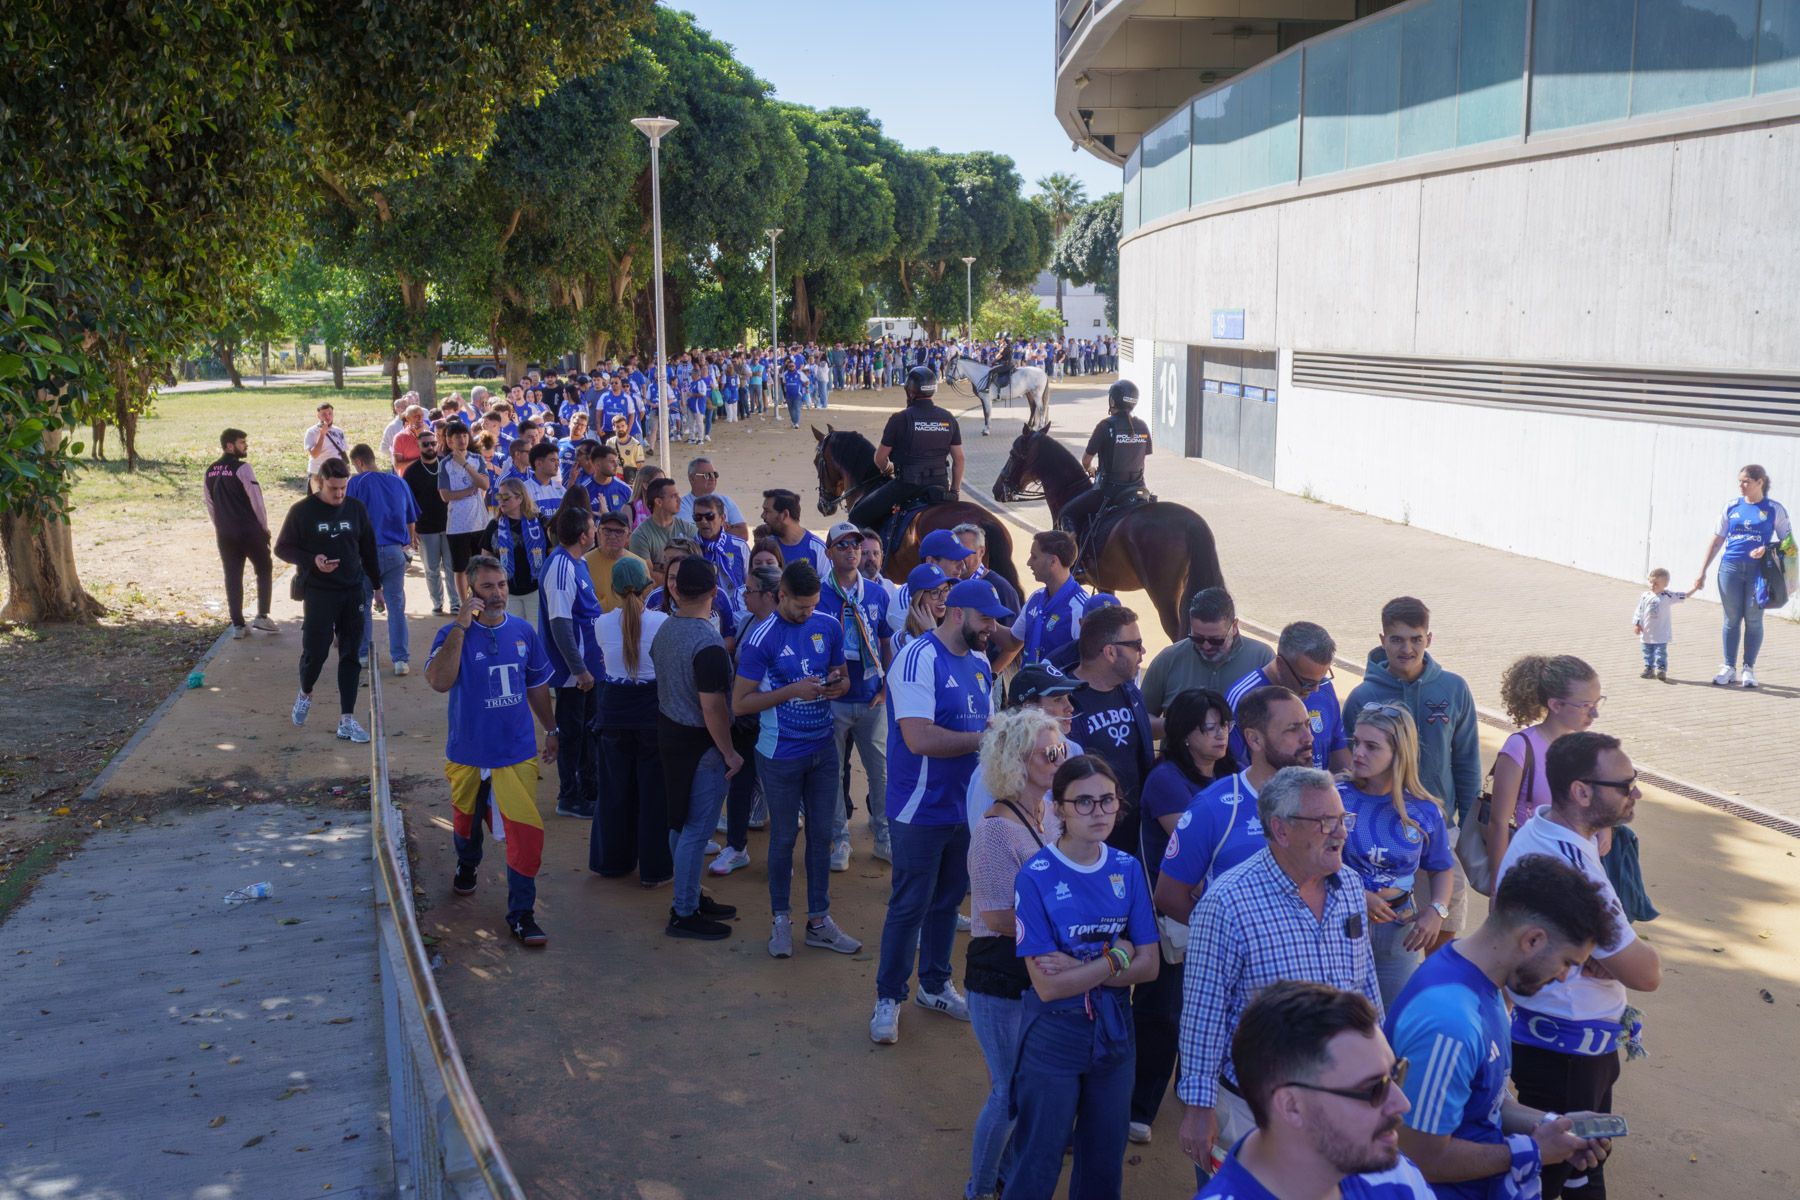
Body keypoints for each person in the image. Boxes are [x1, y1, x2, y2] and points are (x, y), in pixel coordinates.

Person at [1177, 767, 1381, 1175]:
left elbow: (1365, 985)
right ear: (1281, 830)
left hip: (1338, 1100)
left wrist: (1378, 1067)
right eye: (1326, 822)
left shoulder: (1351, 888)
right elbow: (1203, 1014)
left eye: (1343, 820)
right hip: (1255, 1112)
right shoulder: (1227, 904)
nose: (1341, 833)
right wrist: (1199, 1109)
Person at [1386, 855, 1621, 1200]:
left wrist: (1553, 1125)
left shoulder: (1485, 985)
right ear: (1533, 940)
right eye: (1567, 962)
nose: (1562, 977)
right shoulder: (1450, 1021)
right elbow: (1420, 1156)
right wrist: (1533, 1151)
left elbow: (1487, 1101)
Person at [1495, 732, 1661, 1200]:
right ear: (1581, 792)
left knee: (1574, 1172)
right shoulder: (1573, 863)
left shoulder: (1547, 828)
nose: (1636, 793)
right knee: (1568, 1177)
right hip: (1568, 1053)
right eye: (1625, 785)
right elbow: (1646, 973)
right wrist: (1613, 954)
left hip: (1562, 1043)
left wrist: (1599, 953)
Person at [1007, 755, 1160, 1200]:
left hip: (1115, 1036)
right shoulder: (1034, 877)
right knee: (1038, 1158)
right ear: (1059, 808)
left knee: (1103, 1163)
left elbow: (1148, 966)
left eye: (1107, 801)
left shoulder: (1128, 869)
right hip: (1054, 1036)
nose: (1098, 812)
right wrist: (1115, 958)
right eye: (1085, 802)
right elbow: (1048, 985)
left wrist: (1080, 966)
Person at [869, 577, 1009, 1045]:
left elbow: (986, 724)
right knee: (909, 906)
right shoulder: (916, 659)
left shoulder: (979, 662)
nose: (993, 628)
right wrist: (985, 741)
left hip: (964, 807)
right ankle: (889, 996)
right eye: (986, 618)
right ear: (958, 614)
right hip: (919, 809)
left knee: (948, 903)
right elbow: (919, 738)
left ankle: (933, 985)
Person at [426, 554, 560, 947]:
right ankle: (467, 865)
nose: (498, 593)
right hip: (467, 753)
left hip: (515, 753)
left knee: (524, 835)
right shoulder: (450, 635)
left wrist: (551, 728)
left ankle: (522, 914)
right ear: (470, 591)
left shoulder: (523, 631)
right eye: (488, 587)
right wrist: (460, 628)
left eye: (501, 585)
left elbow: (536, 685)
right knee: (466, 826)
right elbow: (438, 681)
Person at [1197, 981, 1437, 1200]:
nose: (1403, 1103)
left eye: (1396, 1074)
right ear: (1292, 1106)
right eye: (1375, 1088)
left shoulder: (1394, 1174)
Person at [732, 561, 863, 958]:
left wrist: (838, 686)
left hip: (822, 748)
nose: (808, 613)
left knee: (821, 836)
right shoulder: (760, 638)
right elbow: (740, 704)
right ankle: (781, 920)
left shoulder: (828, 625)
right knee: (785, 838)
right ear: (781, 596)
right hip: (780, 753)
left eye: (812, 605)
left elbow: (841, 676)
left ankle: (819, 921)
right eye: (800, 607)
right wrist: (791, 691)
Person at [1343, 597, 1482, 951]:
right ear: (1382, 639)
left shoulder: (1453, 689)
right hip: (1377, 830)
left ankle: (1428, 988)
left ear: (1429, 639)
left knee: (1445, 920)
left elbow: (1466, 761)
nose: (1407, 648)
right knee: (1380, 925)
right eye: (1397, 639)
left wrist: (1468, 828)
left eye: (1416, 639)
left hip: (1439, 826)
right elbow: (1350, 763)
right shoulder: (1363, 696)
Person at [1129, 686, 1234, 1144]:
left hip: (1210, 912)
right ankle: (1137, 1107)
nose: (1220, 736)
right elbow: (1203, 849)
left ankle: (1184, 1086)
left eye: (1224, 725)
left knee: (1203, 1008)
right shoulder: (1168, 779)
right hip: (1171, 915)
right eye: (1207, 728)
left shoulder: (1232, 773)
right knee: (1161, 1013)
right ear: (1184, 735)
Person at [1154, 685, 1313, 926]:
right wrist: (1224, 937)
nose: (1308, 738)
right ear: (1254, 739)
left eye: (1307, 725)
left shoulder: (1322, 800)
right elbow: (1168, 897)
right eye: (1293, 729)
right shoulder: (1212, 808)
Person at [652, 556, 746, 935]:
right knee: (696, 828)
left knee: (680, 823)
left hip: (671, 734)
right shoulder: (706, 643)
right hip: (701, 746)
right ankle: (684, 911)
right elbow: (712, 708)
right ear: (712, 592)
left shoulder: (665, 629)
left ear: (674, 590)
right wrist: (729, 752)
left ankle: (690, 893)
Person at [1338, 704, 1454, 1007]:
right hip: (1339, 924)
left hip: (1399, 930)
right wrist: (1358, 894)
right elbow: (1311, 863)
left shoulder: (1425, 811)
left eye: (1371, 746)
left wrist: (1436, 911)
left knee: (1392, 1025)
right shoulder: (1335, 797)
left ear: (1398, 752)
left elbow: (1441, 868)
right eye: (1356, 743)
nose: (1358, 753)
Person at [273, 459, 380, 743]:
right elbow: (281, 547)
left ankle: (347, 719)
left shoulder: (356, 508)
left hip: (352, 589)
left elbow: (368, 547)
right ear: (320, 482)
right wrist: (312, 560)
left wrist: (377, 585)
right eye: (334, 488)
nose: (339, 494)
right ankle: (305, 691)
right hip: (319, 592)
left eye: (344, 487)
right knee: (316, 653)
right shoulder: (302, 511)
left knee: (351, 654)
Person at [592, 556, 672, 887]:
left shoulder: (602, 623)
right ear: (647, 586)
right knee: (654, 793)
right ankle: (655, 869)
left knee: (614, 789)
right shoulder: (662, 622)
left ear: (613, 588)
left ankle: (613, 862)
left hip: (614, 709)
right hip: (651, 711)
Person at [1484, 655, 1601, 874]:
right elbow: (1498, 823)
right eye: (1586, 705)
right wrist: (1497, 887)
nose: (1595, 713)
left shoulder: (1589, 748)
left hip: (1582, 871)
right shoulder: (1520, 747)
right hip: (1533, 872)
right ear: (1556, 705)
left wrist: (1605, 827)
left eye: (1597, 702)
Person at [822, 521, 895, 868]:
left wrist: (885, 687)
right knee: (833, 771)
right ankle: (840, 839)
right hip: (833, 699)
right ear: (829, 553)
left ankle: (884, 836)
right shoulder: (820, 594)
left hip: (870, 698)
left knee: (880, 771)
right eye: (843, 545)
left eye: (856, 544)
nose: (852, 551)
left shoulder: (877, 593)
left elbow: (884, 640)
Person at [1065, 605, 1155, 856]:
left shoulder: (1130, 692)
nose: (1142, 652)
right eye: (1136, 644)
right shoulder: (1062, 703)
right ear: (1110, 652)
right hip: (1087, 837)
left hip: (1134, 833)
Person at [1691, 463, 1790, 688]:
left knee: (1754, 619)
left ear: (1759, 483)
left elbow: (1789, 544)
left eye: (1746, 481)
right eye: (1740, 481)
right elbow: (1717, 540)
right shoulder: (1731, 506)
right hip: (1730, 569)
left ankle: (1748, 668)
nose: (1741, 486)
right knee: (1731, 619)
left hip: (1759, 573)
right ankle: (1728, 667)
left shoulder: (1774, 509)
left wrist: (1767, 549)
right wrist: (1702, 571)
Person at [711, 564, 781, 879]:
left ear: (769, 595)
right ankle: (737, 847)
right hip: (745, 720)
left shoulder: (786, 627)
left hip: (778, 722)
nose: (744, 595)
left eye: (749, 590)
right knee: (739, 782)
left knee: (781, 790)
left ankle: (781, 857)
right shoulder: (746, 622)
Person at [539, 504, 605, 821]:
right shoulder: (562, 567)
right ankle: (569, 796)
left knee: (589, 731)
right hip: (573, 674)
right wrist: (578, 670)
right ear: (583, 535)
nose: (596, 532)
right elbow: (560, 624)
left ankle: (590, 789)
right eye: (593, 528)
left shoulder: (576, 563)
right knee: (572, 735)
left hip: (588, 669)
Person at [965, 664, 1084, 831]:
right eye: (1058, 699)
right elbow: (983, 836)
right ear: (1029, 707)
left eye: (1068, 698)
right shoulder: (992, 769)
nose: (1070, 708)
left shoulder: (1074, 750)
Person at [847, 365, 964, 531]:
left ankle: (873, 553)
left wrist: (887, 468)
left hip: (906, 486)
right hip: (940, 485)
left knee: (856, 516)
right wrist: (954, 491)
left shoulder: (900, 419)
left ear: (910, 391)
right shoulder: (948, 418)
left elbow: (879, 458)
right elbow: (959, 459)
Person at [1228, 621, 1351, 774]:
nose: (1316, 689)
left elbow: (1337, 749)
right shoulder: (1241, 698)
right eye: (1307, 683)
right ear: (1280, 664)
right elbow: (1233, 770)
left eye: (1323, 678)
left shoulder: (1324, 688)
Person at [1140, 587, 1273, 717]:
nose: (1206, 646)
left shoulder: (1262, 658)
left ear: (1234, 627)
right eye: (1197, 638)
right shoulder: (1168, 660)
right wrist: (1178, 727)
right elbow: (1141, 719)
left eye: (1216, 640)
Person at [346, 443, 420, 675]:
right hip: (394, 550)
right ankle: (400, 659)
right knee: (396, 604)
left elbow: (347, 517)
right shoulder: (398, 481)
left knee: (363, 603)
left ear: (358, 462)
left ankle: (363, 654)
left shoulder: (356, 483)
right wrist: (408, 542)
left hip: (364, 553)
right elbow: (411, 517)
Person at [1058, 380, 1152, 549]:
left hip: (1110, 491)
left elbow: (1086, 460)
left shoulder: (1105, 426)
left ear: (1113, 401)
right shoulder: (1143, 426)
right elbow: (1141, 455)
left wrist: (1091, 469)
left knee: (1067, 513)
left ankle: (1071, 556)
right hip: (1139, 489)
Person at [203, 427, 276, 639]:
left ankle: (237, 624)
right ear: (229, 445)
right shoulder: (243, 469)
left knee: (232, 576)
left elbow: (209, 504)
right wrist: (264, 528)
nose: (246, 446)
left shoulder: (210, 470)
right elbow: (256, 501)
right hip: (249, 531)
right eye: (242, 442)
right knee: (264, 568)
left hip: (225, 533)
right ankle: (262, 615)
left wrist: (220, 526)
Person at [1011, 531, 1115, 670]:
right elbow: (1011, 641)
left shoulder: (1081, 609)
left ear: (1053, 561)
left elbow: (1097, 665)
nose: (1029, 563)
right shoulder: (1036, 598)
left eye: (1034, 557)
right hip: (1028, 688)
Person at [436, 421, 491, 608]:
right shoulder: (444, 465)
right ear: (449, 441)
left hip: (480, 523)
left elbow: (484, 485)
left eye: (465, 435)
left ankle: (480, 599)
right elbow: (445, 495)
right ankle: (464, 602)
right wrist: (468, 491)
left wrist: (466, 465)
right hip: (457, 525)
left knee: (480, 565)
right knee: (460, 568)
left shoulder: (477, 459)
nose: (462, 439)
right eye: (457, 437)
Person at [403, 430, 456, 615]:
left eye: (433, 443)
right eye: (425, 444)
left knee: (451, 567)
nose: (430, 447)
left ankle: (455, 602)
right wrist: (412, 528)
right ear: (418, 446)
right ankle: (437, 602)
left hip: (450, 525)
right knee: (432, 568)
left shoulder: (447, 465)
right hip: (425, 527)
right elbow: (407, 502)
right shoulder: (412, 471)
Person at [480, 479, 548, 619]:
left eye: (506, 497)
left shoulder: (541, 522)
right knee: (513, 637)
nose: (501, 501)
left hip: (536, 590)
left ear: (520, 497)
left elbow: (553, 552)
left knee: (535, 636)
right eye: (499, 496)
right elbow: (485, 560)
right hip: (507, 592)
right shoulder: (494, 526)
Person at [629, 476, 699, 565]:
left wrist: (659, 567)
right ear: (658, 502)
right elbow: (648, 573)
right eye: (674, 496)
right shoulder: (640, 536)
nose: (679, 499)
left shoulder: (688, 528)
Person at [1631, 569, 1687, 680]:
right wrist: (1637, 624)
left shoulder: (1667, 596)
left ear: (1665, 584)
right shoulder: (1645, 595)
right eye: (1651, 582)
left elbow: (1683, 596)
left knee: (1660, 652)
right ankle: (1649, 669)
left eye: (1656, 583)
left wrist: (1695, 588)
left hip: (1661, 633)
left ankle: (1661, 670)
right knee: (1647, 651)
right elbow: (1639, 610)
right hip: (1647, 631)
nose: (1652, 585)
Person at [585, 510, 645, 613]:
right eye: (607, 531)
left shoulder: (639, 565)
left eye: (619, 532)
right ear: (598, 532)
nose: (612, 536)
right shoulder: (584, 563)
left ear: (628, 535)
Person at [679, 456, 751, 540]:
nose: (712, 478)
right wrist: (722, 528)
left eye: (714, 474)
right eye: (707, 475)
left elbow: (743, 534)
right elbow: (692, 536)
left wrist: (711, 530)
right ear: (692, 478)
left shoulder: (727, 501)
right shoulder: (681, 506)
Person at [692, 495, 751, 591]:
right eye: (698, 517)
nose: (703, 521)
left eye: (709, 516)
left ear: (722, 518)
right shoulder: (690, 548)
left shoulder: (739, 546)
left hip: (735, 604)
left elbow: (750, 583)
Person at [302, 401, 347, 490]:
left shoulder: (339, 431)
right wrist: (322, 435)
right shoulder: (311, 432)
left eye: (330, 413)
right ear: (318, 416)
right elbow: (314, 454)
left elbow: (343, 452)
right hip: (318, 474)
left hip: (336, 474)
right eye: (324, 414)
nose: (328, 417)